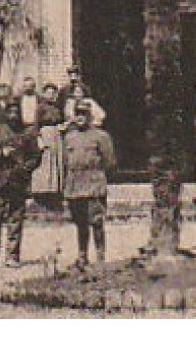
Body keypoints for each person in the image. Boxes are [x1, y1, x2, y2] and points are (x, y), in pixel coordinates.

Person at [0, 109, 41, 269]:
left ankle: (12, 257)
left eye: (16, 112)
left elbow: (36, 157)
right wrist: (1, 153)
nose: (13, 116)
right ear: (6, 115)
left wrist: (24, 168)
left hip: (18, 182)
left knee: (15, 219)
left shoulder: (28, 134)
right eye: (10, 112)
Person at [60, 99, 115, 267]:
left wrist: (98, 176)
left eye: (84, 114)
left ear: (90, 116)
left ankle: (100, 257)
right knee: (80, 222)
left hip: (93, 185)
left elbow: (110, 162)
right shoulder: (69, 138)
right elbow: (64, 162)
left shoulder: (101, 136)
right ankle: (82, 256)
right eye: (78, 114)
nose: (80, 117)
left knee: (96, 221)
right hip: (75, 186)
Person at [32, 82, 66, 200]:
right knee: (46, 161)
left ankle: (55, 188)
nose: (51, 95)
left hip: (56, 135)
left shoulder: (57, 108)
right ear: (44, 94)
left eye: (53, 93)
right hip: (45, 134)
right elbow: (36, 125)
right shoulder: (40, 107)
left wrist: (62, 126)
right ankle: (44, 189)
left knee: (56, 160)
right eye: (48, 93)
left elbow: (60, 121)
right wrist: (38, 139)